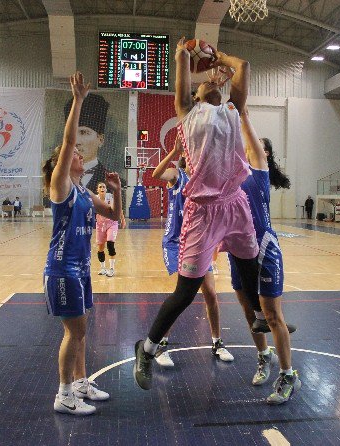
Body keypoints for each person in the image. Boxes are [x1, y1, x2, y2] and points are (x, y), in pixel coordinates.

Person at [133, 39, 283, 392]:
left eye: (217, 82)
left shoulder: (233, 110)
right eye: (207, 82)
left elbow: (242, 66)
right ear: (197, 95)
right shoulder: (188, 112)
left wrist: (221, 59)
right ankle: (148, 347)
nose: (214, 82)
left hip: (233, 204)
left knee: (248, 265)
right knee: (186, 292)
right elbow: (182, 79)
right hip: (202, 212)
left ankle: (260, 319)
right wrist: (185, 53)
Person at [42, 71, 120, 416]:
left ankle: (81, 383)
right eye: (71, 152)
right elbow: (70, 141)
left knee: (82, 331)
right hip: (62, 268)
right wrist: (77, 100)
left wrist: (117, 194)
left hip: (81, 268)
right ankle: (64, 394)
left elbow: (115, 217)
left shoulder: (84, 191)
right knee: (76, 331)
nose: (77, 154)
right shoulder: (60, 184)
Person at [232, 115, 299, 404]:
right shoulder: (233, 170)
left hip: (263, 249)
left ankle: (287, 375)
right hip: (237, 250)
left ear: (265, 154)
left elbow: (243, 129)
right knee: (251, 315)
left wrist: (239, 111)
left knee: (271, 316)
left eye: (257, 144)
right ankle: (264, 357)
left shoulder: (258, 171)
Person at [151, 137, 234, 368]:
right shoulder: (177, 175)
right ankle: (161, 345)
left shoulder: (205, 182)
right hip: (176, 242)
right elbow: (157, 175)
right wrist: (174, 151)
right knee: (182, 295)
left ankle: (217, 342)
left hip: (199, 243)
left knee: (210, 293)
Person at [94, 182, 125, 277]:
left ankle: (111, 269)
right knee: (100, 248)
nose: (102, 188)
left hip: (112, 223)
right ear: (97, 190)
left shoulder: (110, 197)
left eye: (104, 186)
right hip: (100, 225)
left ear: (106, 189)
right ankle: (103, 268)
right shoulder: (95, 199)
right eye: (100, 187)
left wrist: (123, 220)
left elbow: (119, 208)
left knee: (110, 245)